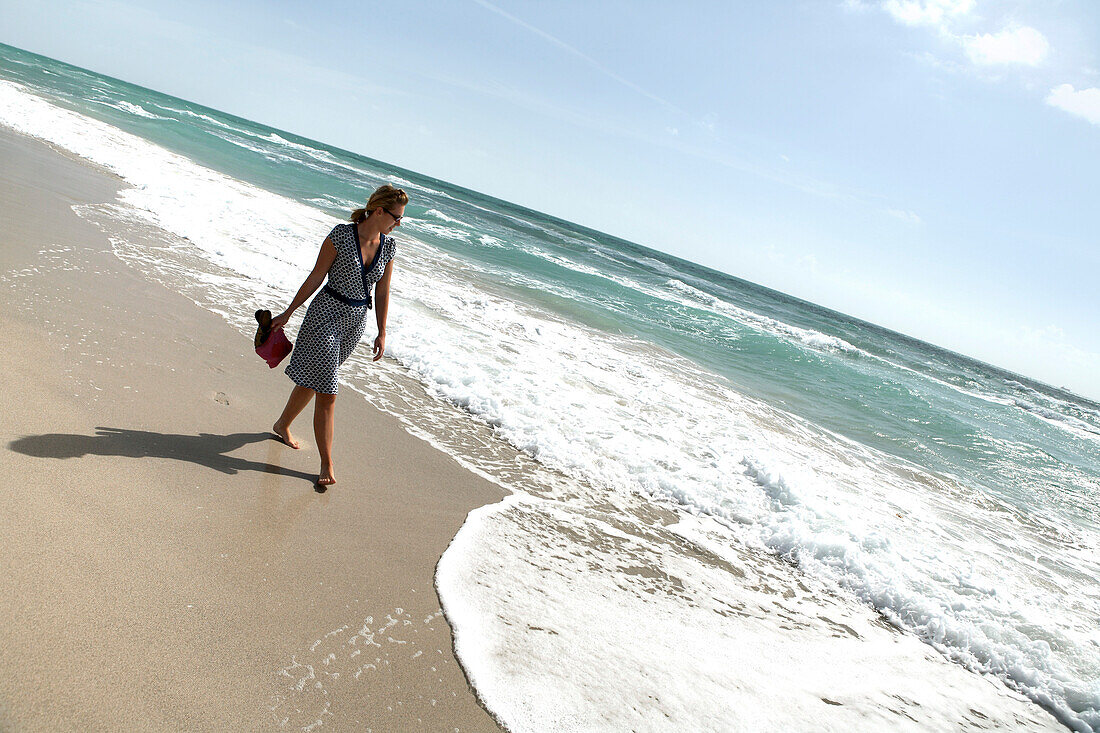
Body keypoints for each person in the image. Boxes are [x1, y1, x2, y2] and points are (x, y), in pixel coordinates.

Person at [269, 184, 408, 486]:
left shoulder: (390, 247)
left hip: (355, 323)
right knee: (328, 391)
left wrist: (382, 331)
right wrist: (289, 312)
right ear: (380, 211)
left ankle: (282, 424)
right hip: (325, 317)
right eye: (396, 217)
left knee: (316, 379)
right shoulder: (341, 236)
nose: (399, 224)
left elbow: (383, 290)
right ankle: (326, 464)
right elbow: (317, 275)